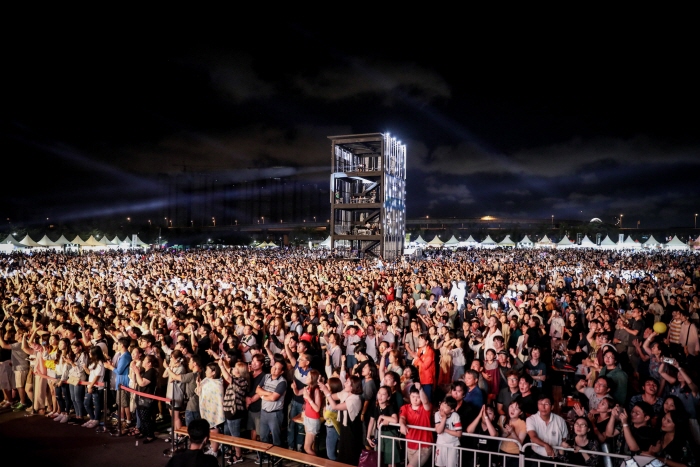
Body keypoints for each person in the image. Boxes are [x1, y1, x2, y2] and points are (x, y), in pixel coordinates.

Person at [321, 374, 364, 466]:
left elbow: (335, 406)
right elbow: (332, 397)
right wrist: (325, 389)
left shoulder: (355, 399)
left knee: (350, 457)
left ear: (353, 386)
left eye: (347, 382)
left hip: (352, 431)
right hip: (344, 429)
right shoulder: (345, 393)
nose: (345, 383)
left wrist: (326, 391)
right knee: (342, 455)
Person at [256, 360, 287, 464]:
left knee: (276, 436)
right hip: (264, 411)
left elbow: (274, 398)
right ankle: (265, 456)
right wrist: (267, 393)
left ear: (281, 372)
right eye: (274, 367)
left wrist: (262, 395)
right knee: (263, 435)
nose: (274, 369)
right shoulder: (266, 377)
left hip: (275, 413)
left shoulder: (282, 382)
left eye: (278, 368)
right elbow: (257, 390)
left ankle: (276, 457)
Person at [219, 361, 249, 464]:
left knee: (235, 435)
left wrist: (221, 366)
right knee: (228, 433)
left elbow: (227, 377)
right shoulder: (236, 379)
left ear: (241, 371)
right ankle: (232, 450)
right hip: (228, 411)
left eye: (236, 368)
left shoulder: (242, 381)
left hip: (235, 412)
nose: (233, 369)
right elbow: (228, 371)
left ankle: (238, 455)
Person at [399, 383, 433, 467]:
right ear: (409, 396)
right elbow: (402, 418)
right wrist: (402, 425)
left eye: (418, 397)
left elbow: (425, 402)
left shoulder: (426, 408)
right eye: (413, 397)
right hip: (410, 444)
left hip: (424, 445)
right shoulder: (405, 407)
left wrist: (421, 389)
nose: (415, 399)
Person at [526, 394, 568, 462]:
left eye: (546, 404)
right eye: (540, 404)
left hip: (555, 457)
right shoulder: (531, 419)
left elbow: (564, 439)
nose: (543, 407)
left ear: (552, 407)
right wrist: (546, 445)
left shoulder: (560, 421)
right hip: (536, 456)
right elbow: (533, 437)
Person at [367, 386, 401, 467]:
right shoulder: (375, 406)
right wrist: (368, 437)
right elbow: (371, 421)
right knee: (379, 460)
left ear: (388, 397)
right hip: (379, 434)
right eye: (379, 393)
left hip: (390, 435)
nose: (380, 396)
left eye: (383, 394)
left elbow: (395, 420)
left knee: (391, 460)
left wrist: (382, 417)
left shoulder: (390, 406)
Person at [131, 354, 159, 443]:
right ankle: (144, 431)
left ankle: (150, 435)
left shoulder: (151, 372)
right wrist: (135, 371)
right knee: (141, 416)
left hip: (147, 399)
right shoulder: (145, 371)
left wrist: (137, 372)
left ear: (149, 363)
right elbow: (135, 380)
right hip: (141, 397)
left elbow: (142, 383)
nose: (143, 361)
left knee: (146, 418)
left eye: (145, 360)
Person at [82, 346, 106, 428]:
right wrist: (85, 368)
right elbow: (90, 374)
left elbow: (97, 377)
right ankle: (92, 418)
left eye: (90, 352)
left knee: (97, 404)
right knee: (86, 403)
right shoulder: (93, 362)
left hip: (96, 387)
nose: (89, 354)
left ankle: (96, 419)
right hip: (90, 385)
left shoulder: (100, 363)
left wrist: (90, 386)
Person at [434, 395, 462, 467]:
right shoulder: (437, 414)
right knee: (439, 465)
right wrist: (444, 418)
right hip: (441, 444)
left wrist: (446, 430)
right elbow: (439, 431)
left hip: (452, 445)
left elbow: (459, 433)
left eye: (445, 407)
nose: (442, 408)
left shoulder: (455, 416)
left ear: (452, 410)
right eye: (442, 405)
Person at [499, 399, 528, 467]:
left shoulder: (523, 424)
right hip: (502, 451)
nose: (513, 410)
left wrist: (512, 432)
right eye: (511, 406)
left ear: (521, 412)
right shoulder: (503, 418)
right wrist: (506, 434)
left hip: (515, 455)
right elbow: (499, 437)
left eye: (516, 408)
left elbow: (520, 444)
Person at [322, 377, 344, 461]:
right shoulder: (330, 398)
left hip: (332, 428)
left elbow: (325, 416)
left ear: (332, 387)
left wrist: (324, 410)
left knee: (330, 454)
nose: (326, 384)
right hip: (332, 427)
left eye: (328, 383)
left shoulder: (332, 402)